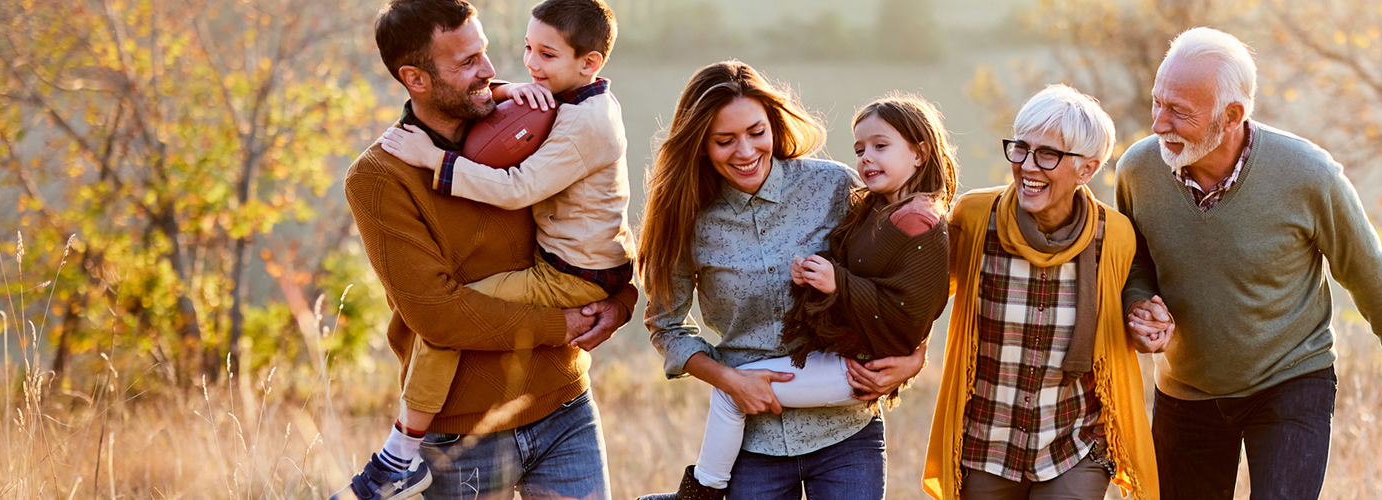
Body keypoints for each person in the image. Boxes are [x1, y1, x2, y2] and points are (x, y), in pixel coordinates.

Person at [1113, 28, 1382, 500]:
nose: (1159, 123)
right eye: (1157, 103)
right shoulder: (1138, 171)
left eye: (1179, 112)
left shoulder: (1308, 174)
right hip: (1187, 388)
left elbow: (1367, 268)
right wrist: (1140, 304)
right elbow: (1134, 261)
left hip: (1291, 380)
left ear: (1232, 116)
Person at [339, 0, 635, 498]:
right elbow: (438, 315)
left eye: (487, 53)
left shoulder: (532, 119)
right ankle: (398, 459)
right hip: (461, 437)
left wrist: (621, 302)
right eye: (468, 62)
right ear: (416, 78)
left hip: (566, 410)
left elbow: (602, 217)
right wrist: (562, 326)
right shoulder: (379, 177)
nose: (493, 71)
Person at [641, 93, 958, 500]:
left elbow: (907, 276)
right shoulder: (689, 218)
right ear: (700, 143)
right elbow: (666, 326)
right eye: (725, 140)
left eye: (757, 132)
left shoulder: (834, 185)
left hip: (847, 432)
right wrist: (730, 380)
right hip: (755, 444)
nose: (746, 151)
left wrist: (915, 356)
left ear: (772, 126)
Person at [921, 85, 1165, 500]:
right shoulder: (977, 218)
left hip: (1075, 443)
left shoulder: (1115, 235)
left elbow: (1130, 294)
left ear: (1087, 169)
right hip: (986, 445)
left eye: (1048, 154)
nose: (1027, 166)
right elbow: (919, 296)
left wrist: (1145, 318)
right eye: (1021, 148)